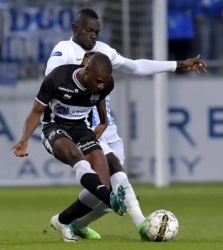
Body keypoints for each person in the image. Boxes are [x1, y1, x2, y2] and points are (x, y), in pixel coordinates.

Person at [45, 8, 207, 242]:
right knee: (118, 177)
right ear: (76, 28)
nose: (93, 36)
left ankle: (72, 222)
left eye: (97, 32)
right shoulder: (64, 51)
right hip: (85, 127)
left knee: (109, 198)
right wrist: (80, 70)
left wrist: (178, 65)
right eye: (89, 30)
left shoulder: (103, 50)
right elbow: (52, 80)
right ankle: (143, 226)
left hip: (107, 126)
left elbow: (136, 66)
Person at [11, 53, 127, 242]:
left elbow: (99, 96)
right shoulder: (58, 78)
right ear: (87, 69)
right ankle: (111, 199)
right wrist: (24, 139)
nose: (100, 85)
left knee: (100, 186)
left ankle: (62, 220)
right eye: (98, 80)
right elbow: (36, 112)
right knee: (76, 157)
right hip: (54, 128)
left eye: (104, 82)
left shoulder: (105, 84)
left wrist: (103, 121)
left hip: (82, 129)